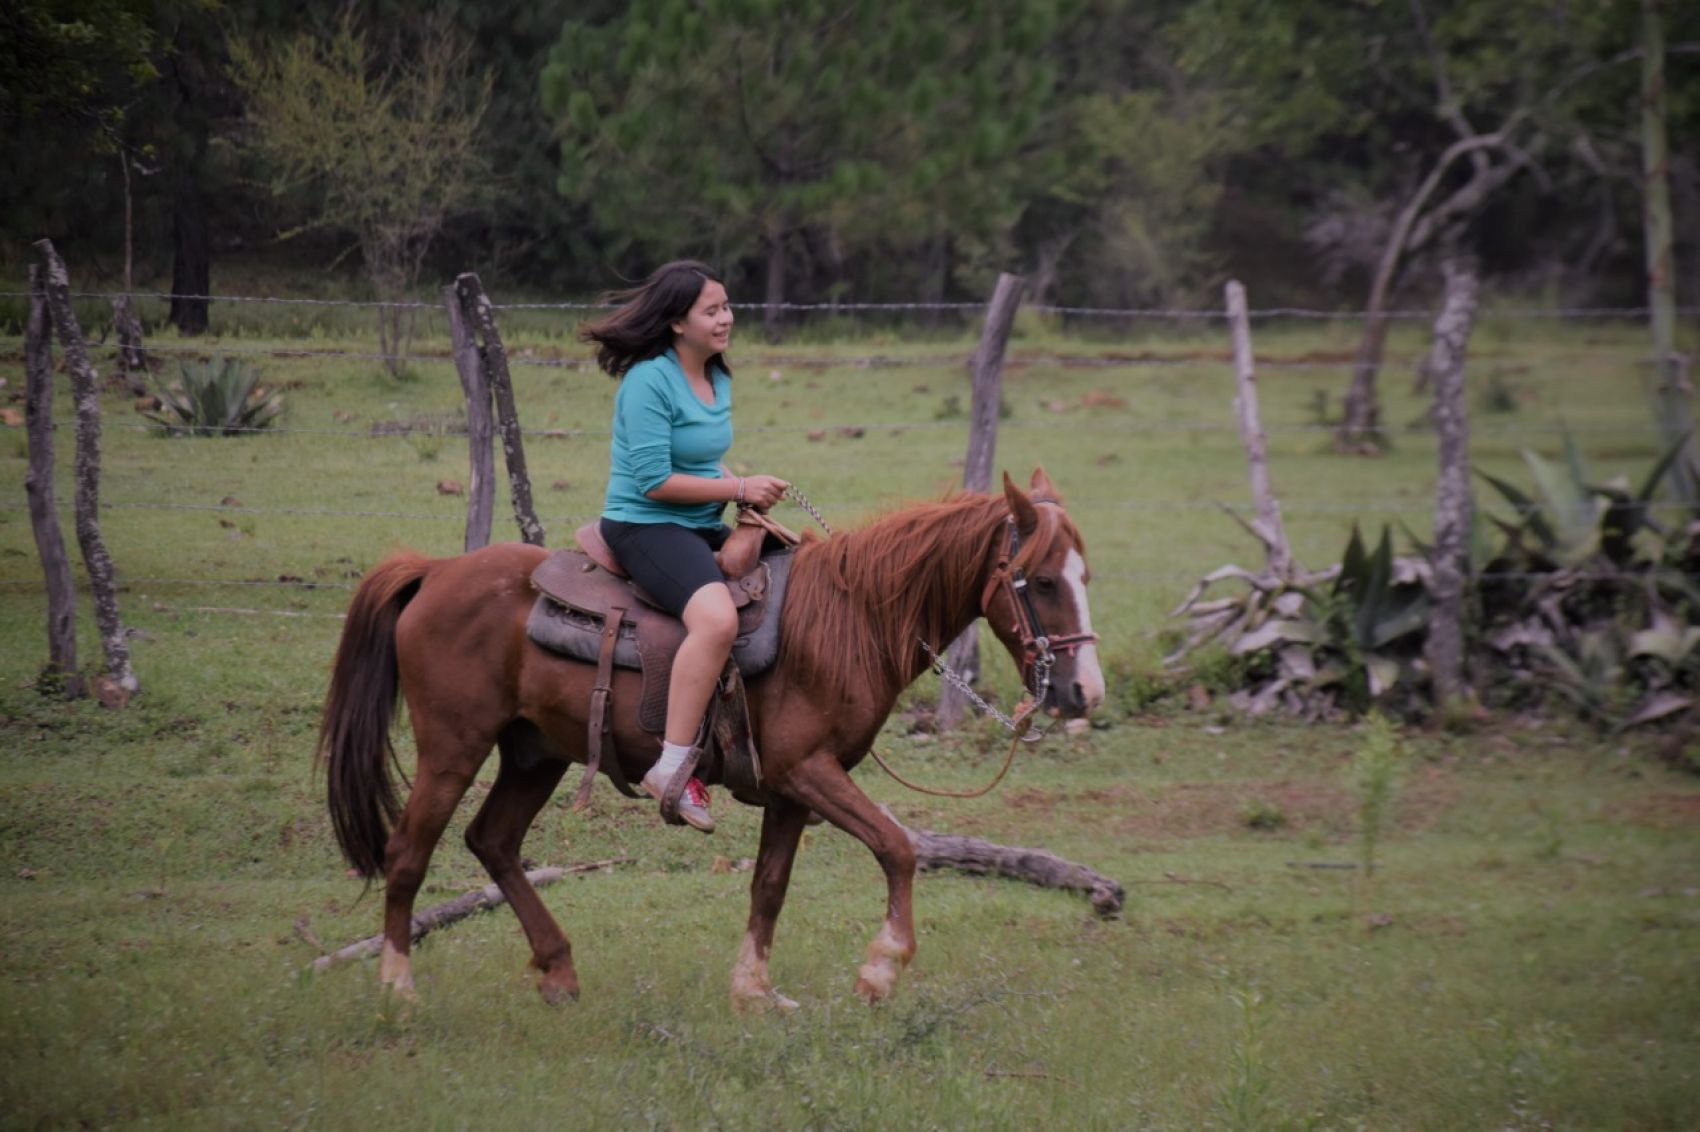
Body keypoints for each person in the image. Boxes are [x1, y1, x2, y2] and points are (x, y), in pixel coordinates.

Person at [580, 261, 788, 833]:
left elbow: (696, 458)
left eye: (726, 306)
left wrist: (740, 499)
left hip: (700, 520)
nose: (726, 318)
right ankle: (670, 765)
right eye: (712, 310)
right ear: (676, 321)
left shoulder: (716, 375)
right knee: (717, 620)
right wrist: (739, 487)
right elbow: (652, 480)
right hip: (645, 525)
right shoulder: (649, 381)